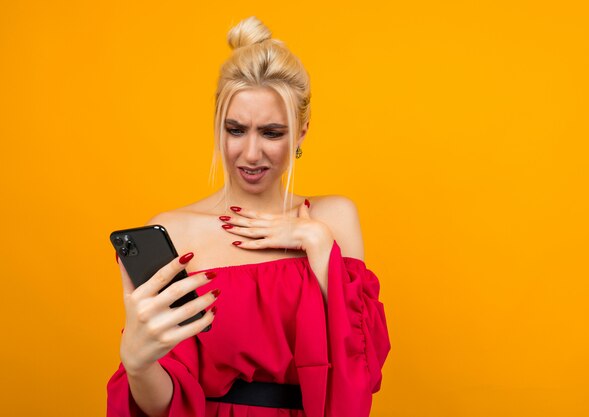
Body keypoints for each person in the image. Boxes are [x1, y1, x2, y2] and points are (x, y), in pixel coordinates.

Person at [107, 16, 391, 417]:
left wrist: (318, 244)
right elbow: (166, 405)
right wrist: (138, 366)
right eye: (236, 130)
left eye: (272, 132)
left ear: (302, 131)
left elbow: (363, 366)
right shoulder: (174, 232)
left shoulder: (333, 219)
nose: (251, 153)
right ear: (217, 126)